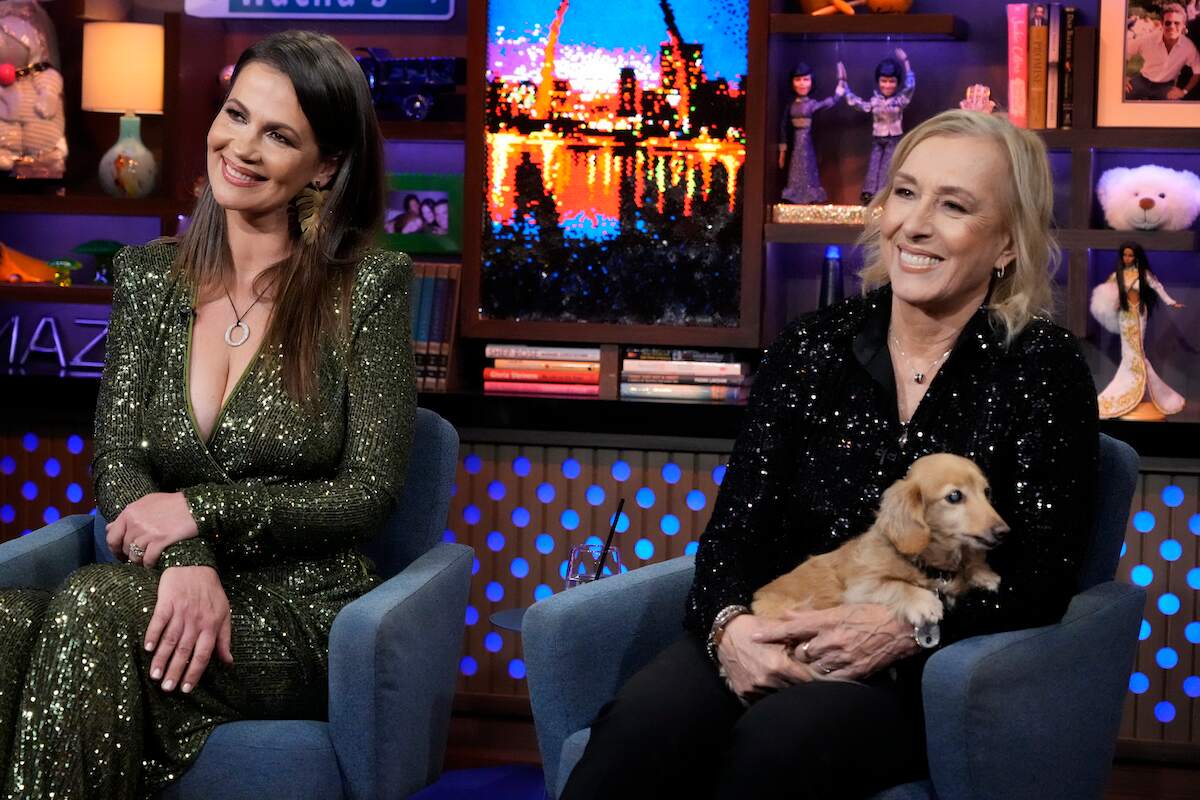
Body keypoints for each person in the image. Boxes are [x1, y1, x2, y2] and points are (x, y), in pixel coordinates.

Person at [561, 109, 1098, 800]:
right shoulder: (810, 347)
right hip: (780, 621)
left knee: (777, 744)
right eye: (905, 193)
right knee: (638, 732)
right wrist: (731, 631)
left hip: (916, 670)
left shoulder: (1041, 366)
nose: (915, 224)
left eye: (955, 206)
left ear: (1006, 245)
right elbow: (732, 538)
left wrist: (909, 626)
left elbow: (1045, 573)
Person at [0, 30, 415, 798]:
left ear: (324, 166)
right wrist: (186, 561)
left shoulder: (368, 287)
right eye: (237, 115)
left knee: (94, 605)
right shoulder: (150, 276)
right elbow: (118, 458)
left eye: (280, 136)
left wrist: (200, 511)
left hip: (299, 610)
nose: (243, 147)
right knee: (7, 626)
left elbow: (368, 494)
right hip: (165, 587)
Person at [1092, 241, 1186, 419]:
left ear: (1136, 257)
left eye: (1131, 255)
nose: (1127, 258)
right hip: (1125, 316)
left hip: (1139, 314)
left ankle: (1138, 391)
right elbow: (1106, 293)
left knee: (1138, 351)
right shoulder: (1117, 275)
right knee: (1129, 353)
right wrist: (1111, 303)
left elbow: (1157, 287)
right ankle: (1132, 392)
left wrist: (1171, 302)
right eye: (1125, 255)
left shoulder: (1143, 274)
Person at [839, 48, 916, 204]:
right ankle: (870, 193)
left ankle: (883, 193)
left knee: (888, 166)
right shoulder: (875, 101)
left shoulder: (899, 101)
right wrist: (844, 88)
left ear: (897, 82)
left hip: (893, 138)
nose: (887, 85)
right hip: (878, 137)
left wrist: (906, 61)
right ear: (878, 81)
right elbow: (857, 103)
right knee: (874, 165)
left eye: (891, 81)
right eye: (884, 81)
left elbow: (910, 86)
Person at [778, 62, 840, 204]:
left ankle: (809, 195)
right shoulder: (790, 105)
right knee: (795, 168)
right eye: (798, 80)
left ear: (812, 82)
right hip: (795, 142)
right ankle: (795, 195)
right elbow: (783, 126)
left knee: (807, 166)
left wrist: (838, 94)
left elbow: (826, 104)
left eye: (806, 79)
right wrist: (782, 151)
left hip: (807, 141)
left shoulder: (811, 104)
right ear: (792, 82)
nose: (802, 84)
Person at [1124, 3, 1200, 100]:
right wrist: (1123, 78)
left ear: (1183, 26)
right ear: (1162, 24)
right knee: (1120, 95)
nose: (1172, 26)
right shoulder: (1147, 40)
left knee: (1175, 104)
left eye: (1177, 23)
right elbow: (1124, 52)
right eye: (1168, 23)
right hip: (1143, 81)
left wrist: (1184, 91)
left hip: (1166, 87)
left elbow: (1198, 71)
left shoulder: (1188, 47)